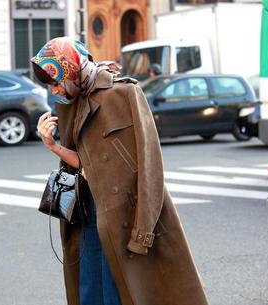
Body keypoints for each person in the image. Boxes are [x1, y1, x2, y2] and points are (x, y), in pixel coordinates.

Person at [31, 37, 208, 305]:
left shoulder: (124, 93)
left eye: (57, 82)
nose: (54, 91)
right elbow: (84, 163)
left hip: (125, 216)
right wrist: (53, 145)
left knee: (119, 294)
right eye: (51, 85)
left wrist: (144, 229)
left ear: (74, 71)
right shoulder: (73, 102)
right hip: (88, 213)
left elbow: (151, 163)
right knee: (89, 293)